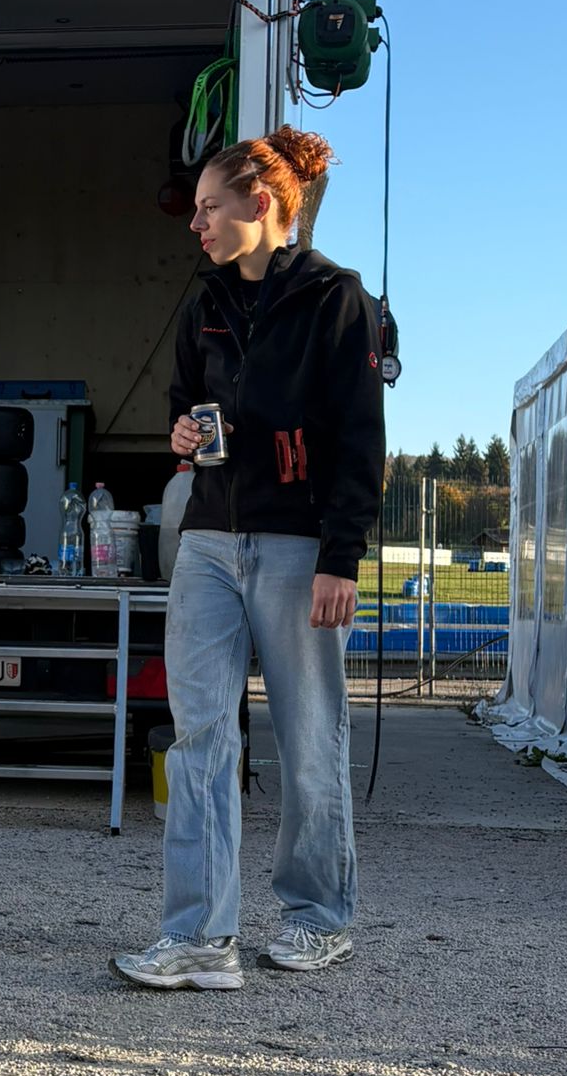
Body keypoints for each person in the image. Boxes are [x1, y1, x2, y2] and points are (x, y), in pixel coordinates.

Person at [112, 125, 383, 991]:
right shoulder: (205, 303)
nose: (195, 224)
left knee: (309, 738)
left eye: (208, 208)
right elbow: (181, 405)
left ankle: (316, 918)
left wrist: (343, 556)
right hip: (209, 540)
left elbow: (359, 438)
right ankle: (199, 937)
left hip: (302, 547)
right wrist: (183, 431)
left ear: (260, 204)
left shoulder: (338, 299)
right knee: (199, 739)